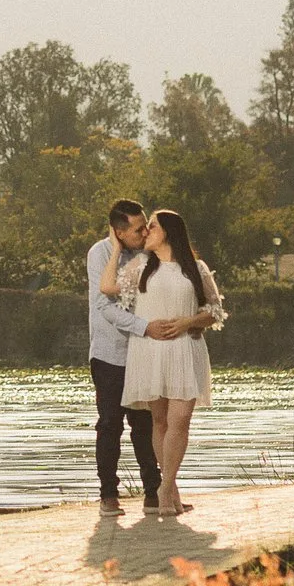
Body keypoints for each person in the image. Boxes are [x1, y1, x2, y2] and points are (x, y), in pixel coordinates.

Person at [86, 199, 211, 514]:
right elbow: (104, 302)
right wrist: (145, 327)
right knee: (111, 422)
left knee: (150, 424)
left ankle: (158, 491)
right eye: (138, 228)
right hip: (113, 352)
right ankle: (109, 495)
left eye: (147, 226)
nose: (144, 232)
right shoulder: (103, 254)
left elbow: (198, 301)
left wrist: (188, 322)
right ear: (119, 231)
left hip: (154, 352)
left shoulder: (150, 256)